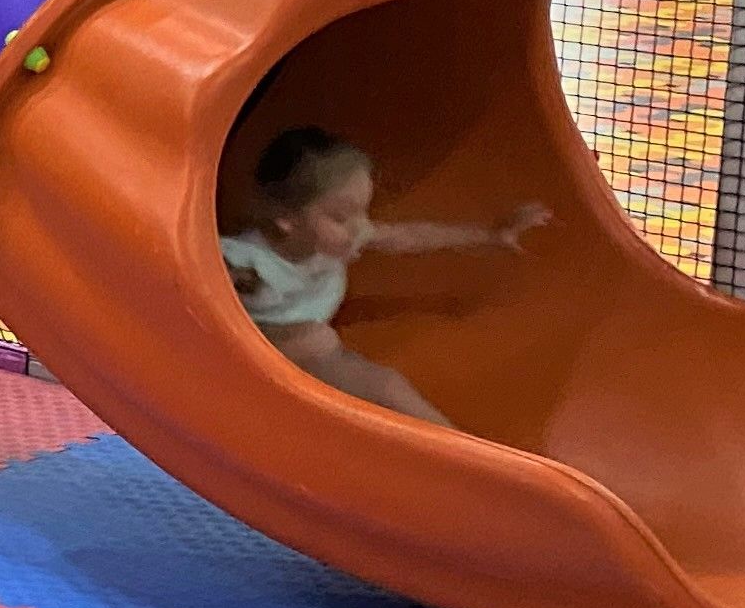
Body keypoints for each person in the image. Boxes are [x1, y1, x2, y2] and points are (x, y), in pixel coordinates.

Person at [222, 127, 546, 426]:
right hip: (259, 357)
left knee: (334, 350)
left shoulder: (337, 237)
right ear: (286, 219)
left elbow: (409, 237)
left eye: (363, 210)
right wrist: (286, 333)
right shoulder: (248, 263)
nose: (358, 227)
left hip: (310, 343)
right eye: (340, 217)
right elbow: (212, 307)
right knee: (382, 384)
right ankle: (464, 453)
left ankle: (462, 448)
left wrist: (489, 235)